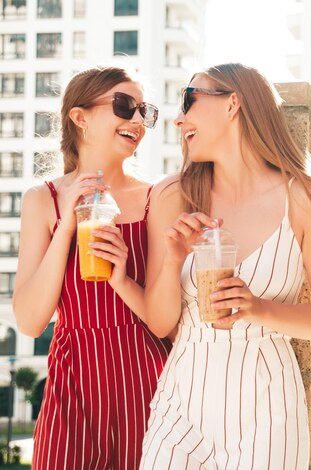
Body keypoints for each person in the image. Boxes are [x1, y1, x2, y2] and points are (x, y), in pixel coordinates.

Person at [139, 63, 311, 469]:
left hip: (267, 406)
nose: (180, 119)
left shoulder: (304, 199)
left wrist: (257, 308)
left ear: (233, 103)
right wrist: (174, 260)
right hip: (180, 400)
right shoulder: (171, 195)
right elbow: (161, 324)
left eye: (189, 99)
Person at [12, 66, 172, 469]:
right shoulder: (42, 200)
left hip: (150, 381)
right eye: (123, 106)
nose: (137, 120)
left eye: (144, 112)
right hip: (74, 385)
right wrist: (67, 225)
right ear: (79, 117)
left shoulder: (158, 198)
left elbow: (166, 321)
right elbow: (31, 322)